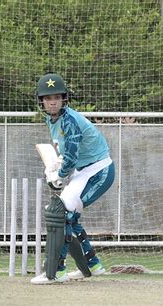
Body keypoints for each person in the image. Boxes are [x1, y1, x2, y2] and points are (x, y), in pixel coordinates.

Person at [30, 73, 115, 285]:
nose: (52, 102)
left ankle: (57, 271)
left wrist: (58, 175)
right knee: (64, 214)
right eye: (48, 98)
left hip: (99, 171)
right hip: (81, 172)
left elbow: (71, 154)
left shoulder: (69, 120)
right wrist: (56, 168)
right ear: (42, 101)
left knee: (64, 213)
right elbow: (63, 151)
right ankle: (93, 265)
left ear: (64, 99)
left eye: (57, 98)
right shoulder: (52, 119)